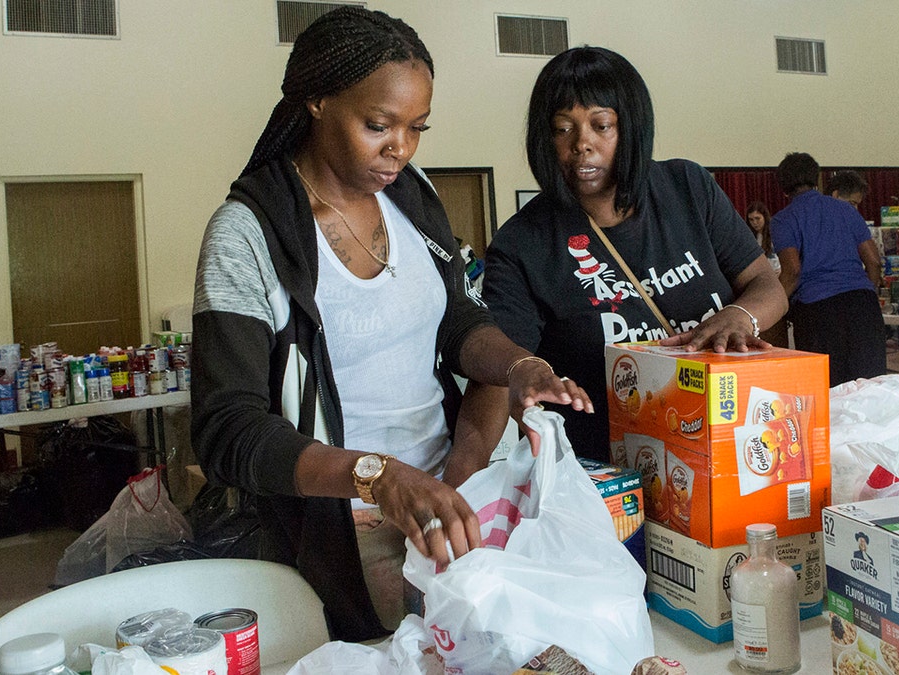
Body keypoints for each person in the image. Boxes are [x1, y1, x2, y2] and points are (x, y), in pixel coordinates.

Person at [189, 7, 591, 641]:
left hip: (448, 494)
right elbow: (226, 429)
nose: (399, 148)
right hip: (344, 523)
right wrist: (377, 477)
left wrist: (515, 369)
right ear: (317, 100)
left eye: (416, 128)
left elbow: (458, 321)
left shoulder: (410, 195)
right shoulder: (249, 234)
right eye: (378, 125)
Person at [478, 46, 788, 463]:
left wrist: (740, 316)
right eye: (563, 128)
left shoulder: (687, 188)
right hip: (607, 478)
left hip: (726, 447)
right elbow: (499, 372)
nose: (581, 144)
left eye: (601, 125)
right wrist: (465, 481)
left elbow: (765, 284)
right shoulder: (523, 243)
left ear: (631, 128)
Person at [771, 152, 886, 387]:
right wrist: (867, 293)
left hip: (819, 313)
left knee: (828, 394)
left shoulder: (784, 220)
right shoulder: (846, 211)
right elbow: (873, 262)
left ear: (783, 186)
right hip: (863, 307)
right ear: (817, 178)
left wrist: (770, 307)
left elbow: (792, 271)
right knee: (871, 390)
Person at [745, 201, 788, 347]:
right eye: (751, 220)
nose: (755, 223)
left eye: (757, 219)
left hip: (778, 278)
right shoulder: (751, 237)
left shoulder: (775, 234)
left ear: (765, 217)